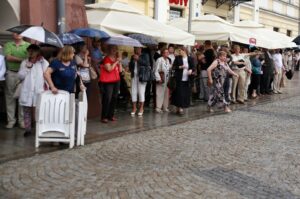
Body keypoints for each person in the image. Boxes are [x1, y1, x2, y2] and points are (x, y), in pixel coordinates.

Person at [18, 44, 49, 136]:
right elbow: (20, 76)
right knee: (26, 111)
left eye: (32, 51)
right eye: (29, 52)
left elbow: (47, 76)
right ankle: (27, 129)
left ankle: (40, 128)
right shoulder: (24, 62)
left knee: (39, 110)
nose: (30, 54)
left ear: (37, 52)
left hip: (39, 90)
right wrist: (27, 68)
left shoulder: (43, 63)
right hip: (27, 90)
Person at [4, 33, 30, 129]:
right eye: (16, 32)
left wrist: (22, 60)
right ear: (12, 34)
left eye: (20, 32)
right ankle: (11, 121)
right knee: (10, 97)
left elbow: (30, 59)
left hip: (24, 74)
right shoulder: (8, 44)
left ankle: (21, 121)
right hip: (11, 73)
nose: (18, 34)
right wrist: (23, 59)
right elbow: (8, 57)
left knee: (22, 97)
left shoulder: (28, 45)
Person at [99, 45, 122, 123]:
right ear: (109, 50)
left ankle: (111, 115)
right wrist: (116, 62)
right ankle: (104, 116)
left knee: (114, 98)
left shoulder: (116, 59)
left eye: (115, 49)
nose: (114, 50)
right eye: (113, 49)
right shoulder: (106, 59)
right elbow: (109, 69)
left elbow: (120, 70)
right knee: (107, 98)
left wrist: (119, 62)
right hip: (108, 81)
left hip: (116, 80)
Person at [171, 46, 195, 115]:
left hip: (187, 79)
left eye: (180, 51)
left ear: (184, 51)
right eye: (179, 51)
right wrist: (180, 67)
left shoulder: (190, 58)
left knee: (184, 94)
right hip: (179, 79)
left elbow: (193, 67)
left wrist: (191, 70)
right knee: (179, 94)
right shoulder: (178, 58)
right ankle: (180, 108)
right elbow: (173, 67)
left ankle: (180, 108)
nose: (179, 52)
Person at [129, 47, 150, 116]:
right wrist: (133, 61)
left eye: (138, 48)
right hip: (134, 76)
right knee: (133, 92)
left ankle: (141, 108)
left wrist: (138, 59)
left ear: (140, 49)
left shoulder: (145, 55)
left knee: (141, 92)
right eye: (135, 48)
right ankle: (134, 108)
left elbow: (147, 64)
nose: (136, 50)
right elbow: (130, 67)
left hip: (142, 76)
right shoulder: (133, 56)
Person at [154, 48, 171, 113]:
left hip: (167, 79)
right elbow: (156, 70)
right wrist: (159, 79)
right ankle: (158, 107)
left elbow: (169, 68)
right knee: (159, 93)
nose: (167, 53)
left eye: (168, 52)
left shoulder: (168, 60)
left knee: (166, 93)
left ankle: (165, 107)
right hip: (161, 78)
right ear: (162, 53)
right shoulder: (159, 60)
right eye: (166, 52)